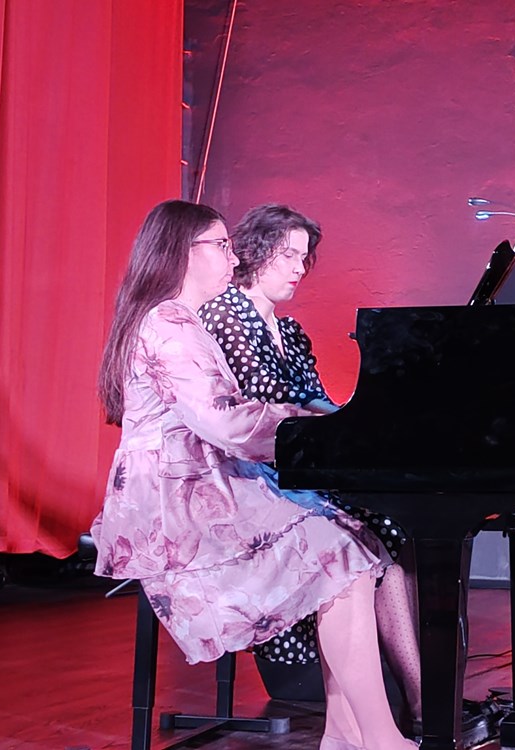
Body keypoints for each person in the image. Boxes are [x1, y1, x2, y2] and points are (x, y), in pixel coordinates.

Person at [91, 199, 416, 750]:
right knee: (342, 555)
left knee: (351, 546)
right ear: (182, 252)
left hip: (201, 484)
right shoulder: (169, 324)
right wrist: (303, 425)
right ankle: (378, 737)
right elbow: (225, 421)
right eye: (220, 245)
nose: (232, 256)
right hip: (175, 504)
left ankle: (345, 733)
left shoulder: (178, 320)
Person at [197, 204, 423, 730]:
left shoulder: (291, 331)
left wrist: (361, 420)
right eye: (289, 256)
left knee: (399, 524)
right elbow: (263, 406)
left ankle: (417, 693)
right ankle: (417, 699)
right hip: (245, 474)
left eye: (304, 258)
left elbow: (316, 401)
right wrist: (343, 422)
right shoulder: (226, 314)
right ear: (255, 253)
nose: (300, 268)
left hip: (293, 469)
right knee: (376, 529)